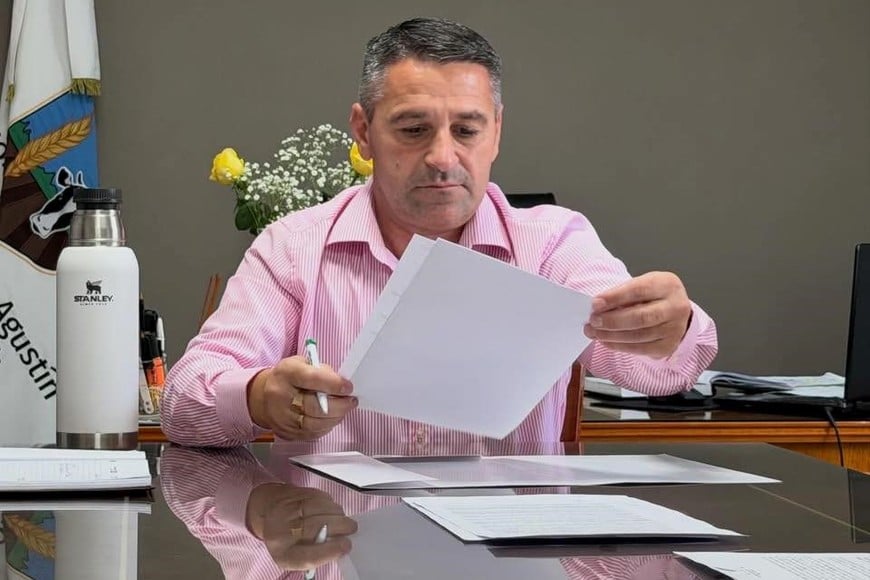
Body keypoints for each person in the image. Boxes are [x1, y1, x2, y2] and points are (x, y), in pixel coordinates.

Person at [162, 17, 718, 447]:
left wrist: (670, 326)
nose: (442, 157)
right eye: (413, 129)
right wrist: (260, 397)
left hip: (509, 552)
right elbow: (183, 402)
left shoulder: (552, 243)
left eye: (467, 130)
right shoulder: (293, 249)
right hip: (338, 542)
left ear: (496, 132)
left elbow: (658, 373)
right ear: (363, 131)